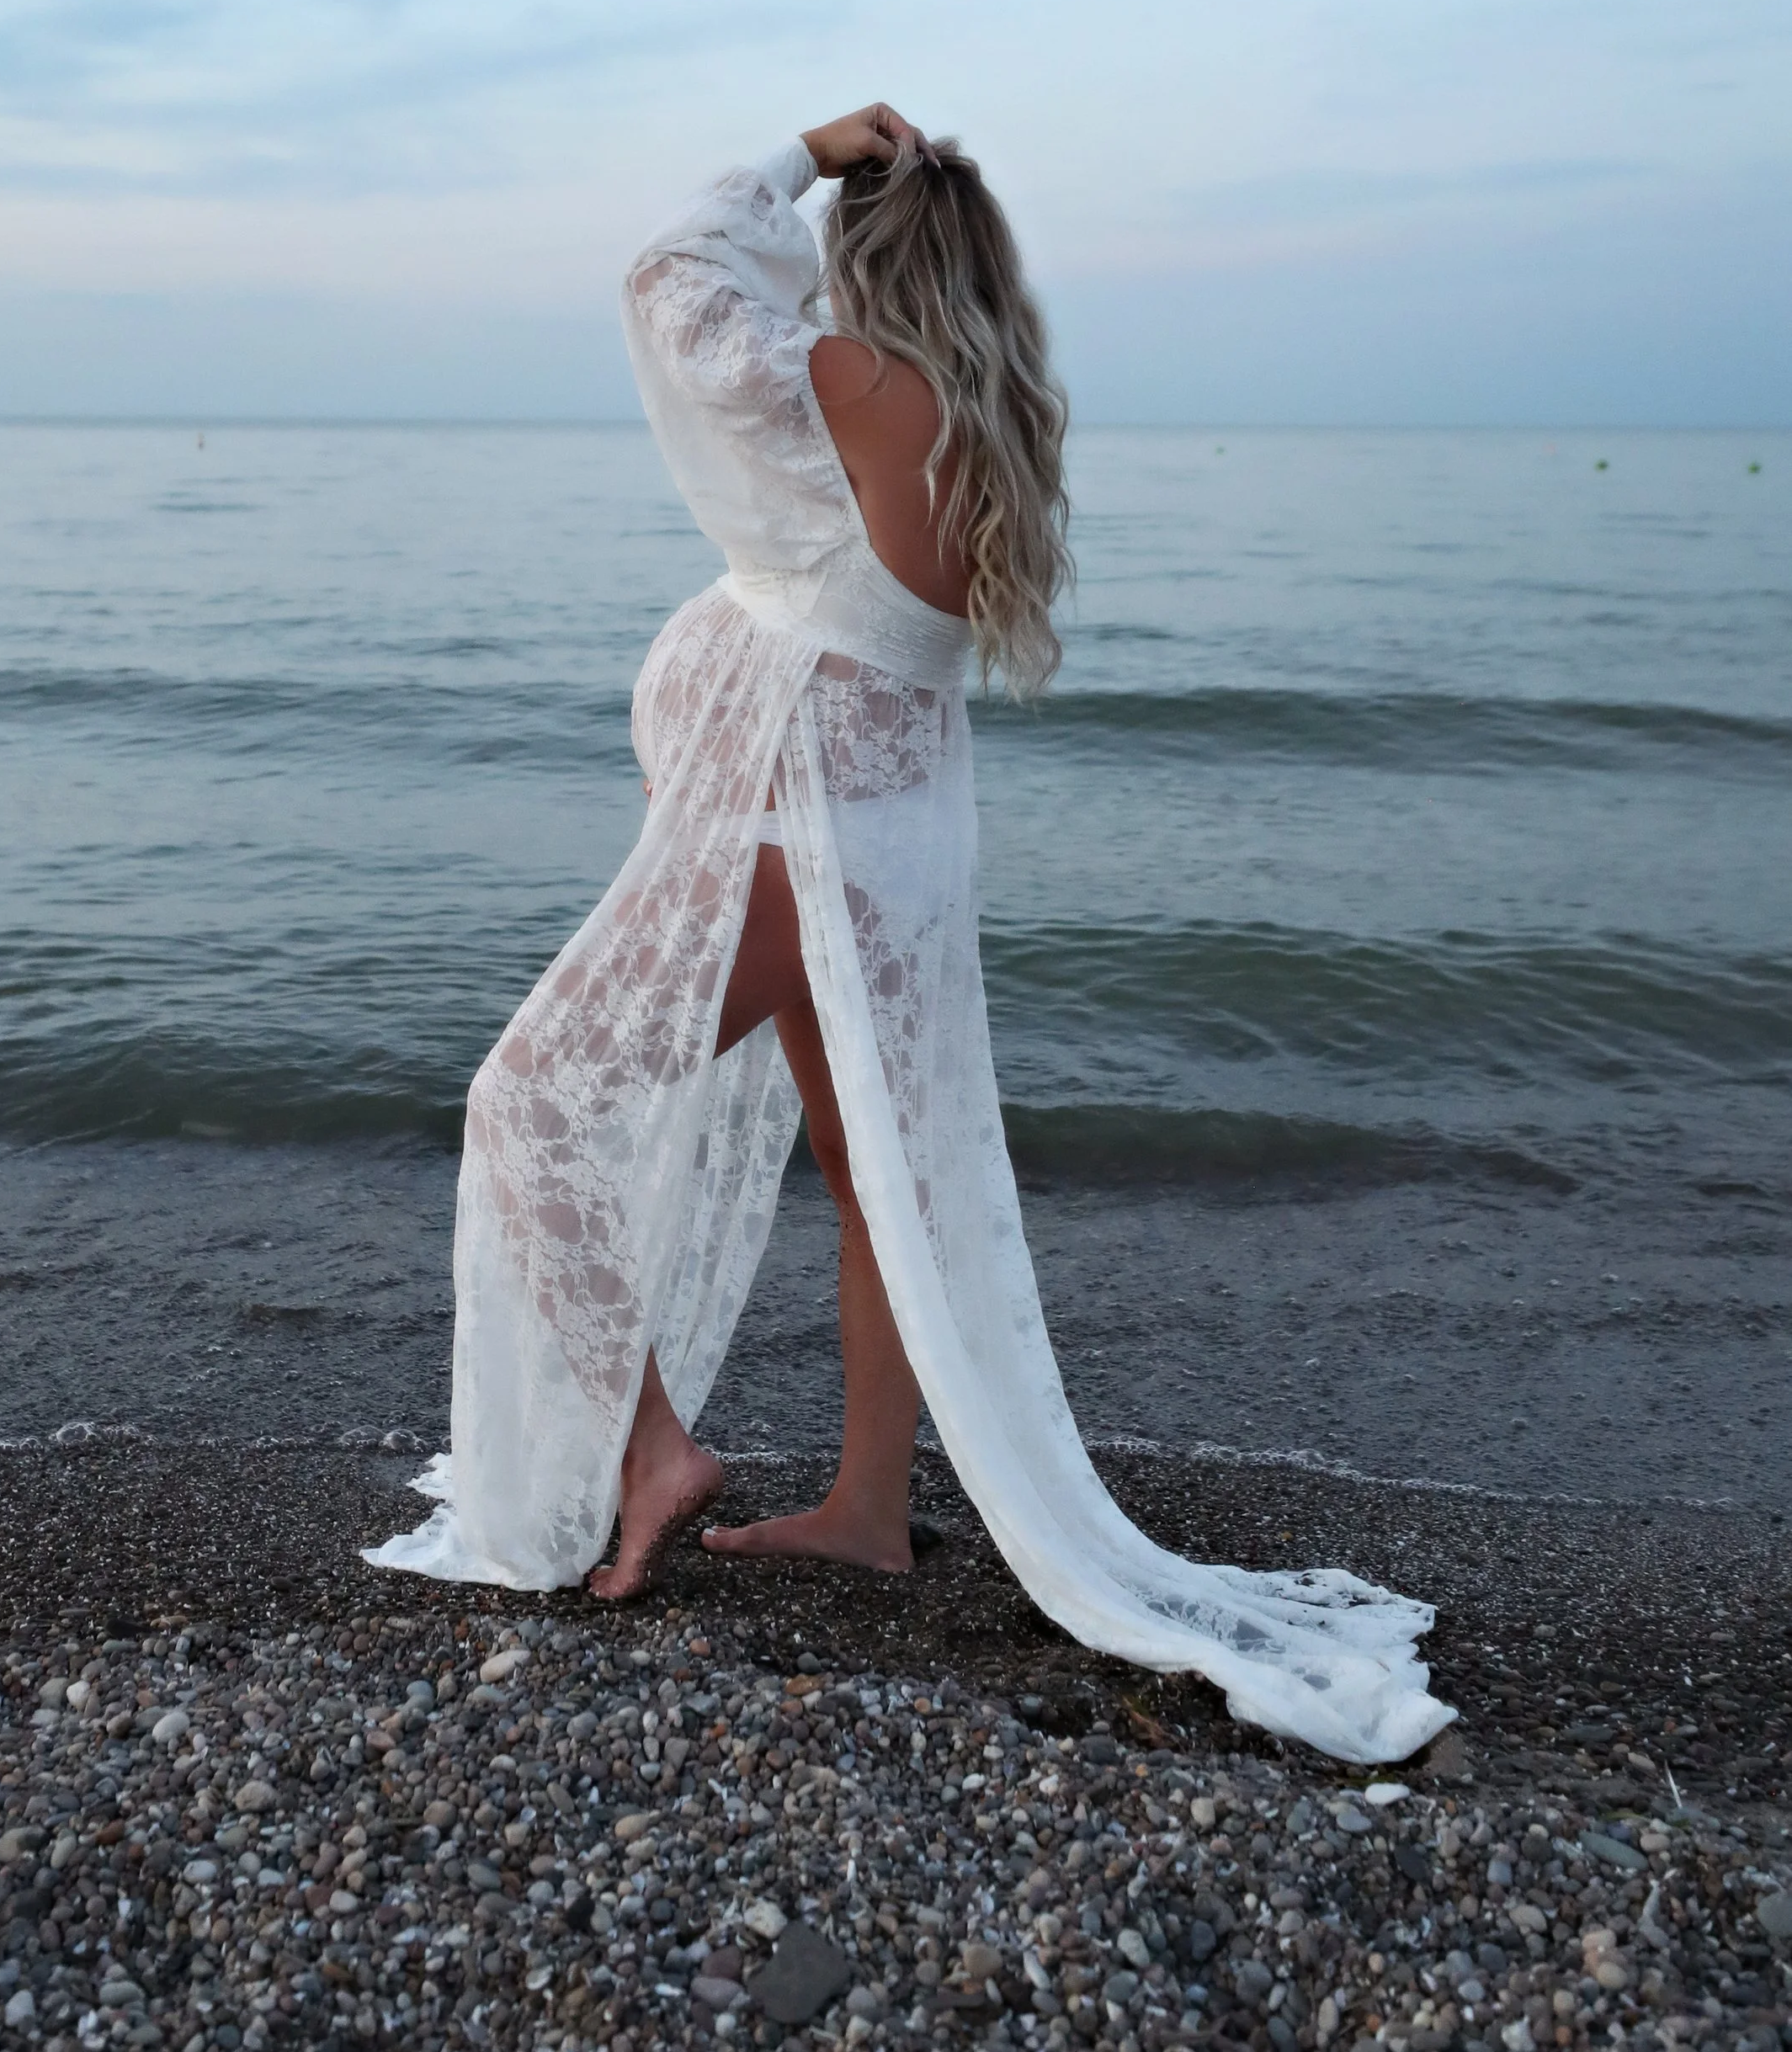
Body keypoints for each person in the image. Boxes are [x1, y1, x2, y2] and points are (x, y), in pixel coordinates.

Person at [365, 108, 1452, 1763]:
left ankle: (650, 1448)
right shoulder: (985, 416)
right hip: (887, 844)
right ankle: (867, 1511)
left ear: (865, 269)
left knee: (528, 1099)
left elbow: (664, 274)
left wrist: (795, 149)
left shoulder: (859, 389)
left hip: (799, 834)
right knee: (873, 1178)